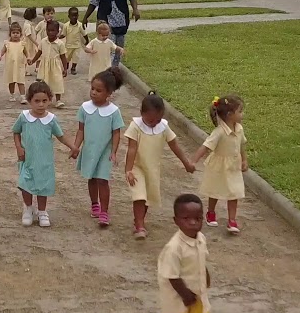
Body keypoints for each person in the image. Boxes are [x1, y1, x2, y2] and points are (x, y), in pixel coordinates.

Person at [147, 194, 236, 313]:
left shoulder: (200, 238)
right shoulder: (174, 248)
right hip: (178, 295)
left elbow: (201, 260)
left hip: (198, 292)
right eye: (186, 219)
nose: (193, 223)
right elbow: (171, 275)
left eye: (197, 218)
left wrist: (206, 276)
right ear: (176, 221)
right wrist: (185, 294)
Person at [125, 93, 194, 239]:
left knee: (148, 197)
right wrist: (129, 169)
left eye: (157, 120)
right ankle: (139, 226)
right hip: (137, 167)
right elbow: (132, 149)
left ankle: (139, 219)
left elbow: (174, 145)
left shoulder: (163, 127)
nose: (153, 123)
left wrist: (186, 163)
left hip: (152, 169)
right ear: (142, 113)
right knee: (139, 196)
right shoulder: (136, 126)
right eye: (150, 120)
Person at [12, 81, 78, 227]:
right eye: (37, 101)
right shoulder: (23, 117)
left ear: (49, 100)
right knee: (25, 185)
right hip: (27, 159)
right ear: (29, 101)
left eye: (44, 101)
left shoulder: (51, 120)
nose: (41, 104)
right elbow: (16, 132)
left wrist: (73, 147)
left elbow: (60, 136)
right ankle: (28, 208)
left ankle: (42, 211)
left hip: (44, 161)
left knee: (43, 186)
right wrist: (18, 147)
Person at [74, 68, 126, 228]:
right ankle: (94, 203)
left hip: (105, 152)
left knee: (103, 180)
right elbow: (81, 130)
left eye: (99, 90)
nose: (94, 93)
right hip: (90, 150)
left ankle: (104, 211)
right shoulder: (85, 108)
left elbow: (116, 133)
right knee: (92, 178)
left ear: (109, 92)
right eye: (92, 89)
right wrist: (75, 147)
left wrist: (114, 152)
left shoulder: (113, 111)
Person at [190, 94, 248, 234]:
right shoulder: (219, 132)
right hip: (218, 167)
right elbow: (206, 146)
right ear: (229, 114)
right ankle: (211, 212)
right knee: (215, 190)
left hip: (233, 167)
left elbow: (241, 145)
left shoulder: (239, 129)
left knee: (234, 192)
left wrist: (245, 159)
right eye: (240, 111)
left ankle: (232, 220)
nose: (242, 114)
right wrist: (193, 161)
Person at [81, 0, 140, 68]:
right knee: (108, 45)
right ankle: (108, 68)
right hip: (105, 20)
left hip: (121, 18)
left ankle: (115, 66)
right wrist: (85, 17)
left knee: (119, 45)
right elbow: (93, 2)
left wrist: (135, 9)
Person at [29, 20, 70, 108]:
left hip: (55, 66)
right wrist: (33, 61)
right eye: (48, 30)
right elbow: (39, 52)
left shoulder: (60, 44)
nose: (50, 32)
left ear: (57, 31)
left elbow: (63, 57)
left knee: (57, 81)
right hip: (44, 65)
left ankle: (58, 100)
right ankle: (45, 99)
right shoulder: (43, 41)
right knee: (44, 83)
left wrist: (65, 68)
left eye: (53, 30)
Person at [0, 22, 28, 102]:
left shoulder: (22, 44)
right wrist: (0, 55)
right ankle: (12, 95)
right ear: (10, 34)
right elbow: (2, 51)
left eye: (17, 33)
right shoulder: (7, 44)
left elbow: (26, 53)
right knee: (11, 81)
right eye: (13, 33)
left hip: (19, 66)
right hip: (10, 66)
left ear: (20, 34)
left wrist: (29, 58)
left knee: (20, 81)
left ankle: (23, 96)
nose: (15, 35)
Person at [62, 7, 85, 75]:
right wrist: (57, 38)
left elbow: (84, 34)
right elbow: (63, 34)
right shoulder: (66, 25)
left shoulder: (80, 25)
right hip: (68, 45)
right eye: (72, 16)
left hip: (77, 46)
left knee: (75, 58)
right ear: (69, 16)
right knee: (67, 58)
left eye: (76, 15)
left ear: (78, 16)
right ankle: (66, 67)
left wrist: (87, 41)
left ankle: (73, 68)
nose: (74, 17)